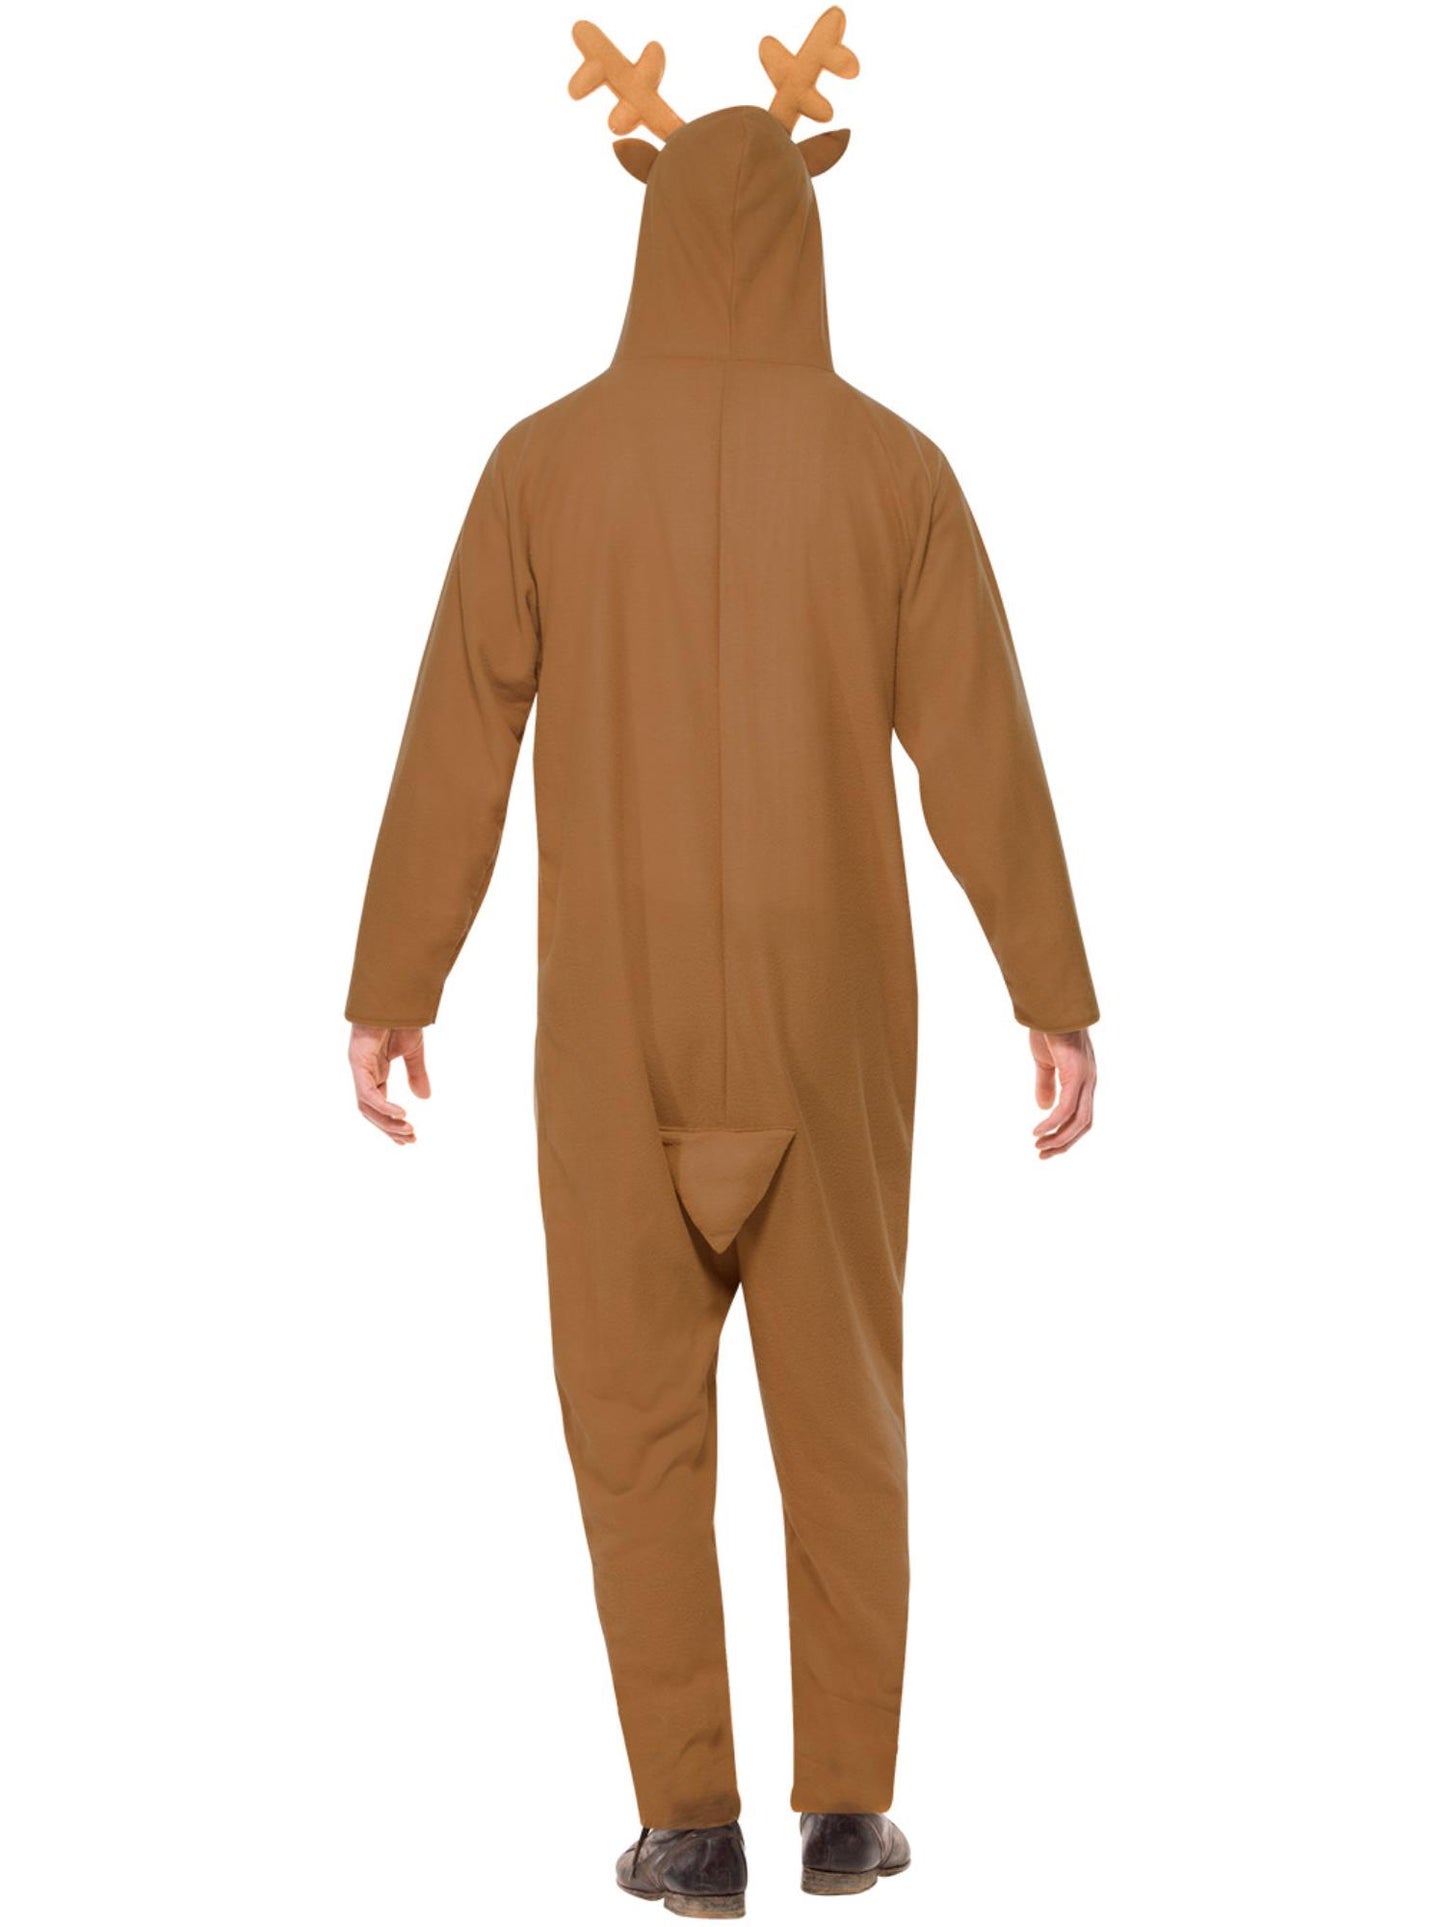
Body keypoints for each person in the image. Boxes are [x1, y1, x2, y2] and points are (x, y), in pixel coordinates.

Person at [345, 14, 1098, 1916]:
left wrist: (393, 982)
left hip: (619, 1016)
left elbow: (458, 738)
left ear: (651, 232)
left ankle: (687, 1826)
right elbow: (980, 750)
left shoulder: (541, 465)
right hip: (830, 1011)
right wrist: (1051, 990)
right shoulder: (895, 471)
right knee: (844, 1403)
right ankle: (845, 1808)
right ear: (806, 235)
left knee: (632, 1413)